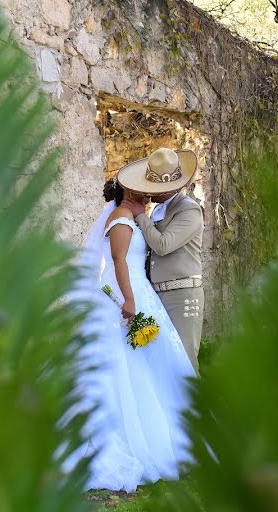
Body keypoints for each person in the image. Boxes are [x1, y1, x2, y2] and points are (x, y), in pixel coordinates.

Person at [64, 177, 195, 493]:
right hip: (127, 296)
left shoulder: (136, 218)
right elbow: (120, 260)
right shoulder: (121, 218)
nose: (148, 196)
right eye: (141, 191)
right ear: (129, 193)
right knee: (124, 365)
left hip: (139, 291)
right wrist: (129, 300)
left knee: (148, 363)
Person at [117, 148, 205, 374]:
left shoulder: (190, 211)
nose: (147, 192)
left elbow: (163, 245)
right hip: (157, 295)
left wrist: (140, 215)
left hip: (182, 296)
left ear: (169, 189)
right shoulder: (159, 210)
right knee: (163, 362)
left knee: (184, 364)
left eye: (153, 188)